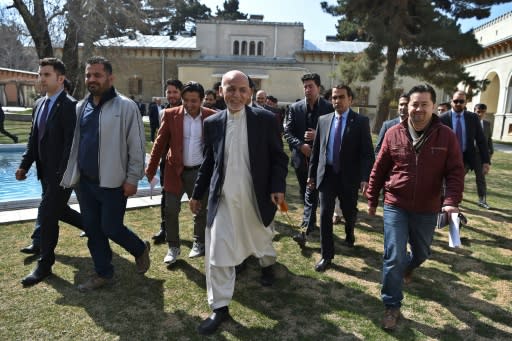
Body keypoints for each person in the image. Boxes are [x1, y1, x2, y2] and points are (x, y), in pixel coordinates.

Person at [189, 70, 288, 335]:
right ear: (221, 91)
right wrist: (197, 194)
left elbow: (279, 158)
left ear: (250, 93)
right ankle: (219, 307)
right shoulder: (212, 123)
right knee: (217, 253)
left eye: (242, 90)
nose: (236, 95)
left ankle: (267, 266)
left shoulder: (265, 120)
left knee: (262, 237)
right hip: (222, 199)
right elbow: (209, 161)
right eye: (230, 89)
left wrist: (278, 187)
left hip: (255, 197)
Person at [365, 84, 464, 330]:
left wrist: (451, 202)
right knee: (393, 254)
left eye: (424, 104)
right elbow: (379, 168)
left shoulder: (446, 136)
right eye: (414, 104)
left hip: (428, 208)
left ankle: (409, 267)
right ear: (407, 106)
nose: (418, 109)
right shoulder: (393, 133)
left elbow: (455, 172)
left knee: (422, 253)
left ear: (433, 107)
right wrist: (372, 198)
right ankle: (391, 305)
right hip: (395, 204)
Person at [60, 56, 150, 291]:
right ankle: (103, 273)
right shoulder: (81, 107)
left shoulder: (126, 106)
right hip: (85, 184)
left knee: (111, 227)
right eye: (88, 75)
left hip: (113, 183)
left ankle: (140, 249)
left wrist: (133, 178)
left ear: (110, 77)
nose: (91, 79)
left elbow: (137, 145)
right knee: (92, 229)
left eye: (97, 75)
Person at [16, 57, 84, 286]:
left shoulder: (69, 106)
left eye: (46, 75)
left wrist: (61, 175)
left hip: (61, 176)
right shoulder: (39, 104)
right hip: (44, 173)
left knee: (46, 216)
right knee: (58, 211)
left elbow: (70, 145)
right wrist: (25, 165)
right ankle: (96, 228)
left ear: (60, 78)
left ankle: (44, 265)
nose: (41, 79)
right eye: (40, 74)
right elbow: (33, 139)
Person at [145, 82, 216, 264]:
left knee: (200, 209)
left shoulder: (211, 117)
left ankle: (199, 242)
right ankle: (173, 247)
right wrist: (151, 170)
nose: (189, 105)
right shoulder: (170, 115)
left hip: (199, 173)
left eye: (194, 101)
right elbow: (159, 144)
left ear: (201, 100)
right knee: (170, 210)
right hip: (174, 171)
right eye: (186, 101)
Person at [307, 85, 374, 271]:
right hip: (327, 175)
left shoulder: (360, 121)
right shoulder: (323, 120)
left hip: (349, 177)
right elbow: (317, 151)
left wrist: (364, 177)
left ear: (350, 99)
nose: (337, 101)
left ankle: (349, 231)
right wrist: (312, 175)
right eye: (334, 97)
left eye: (341, 97)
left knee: (349, 211)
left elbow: (367, 153)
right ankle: (326, 255)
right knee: (325, 214)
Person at [284, 73, 332, 246]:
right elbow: (287, 132)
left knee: (312, 191)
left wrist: (317, 135)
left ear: (319, 87)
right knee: (306, 190)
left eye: (311, 86)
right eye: (305, 86)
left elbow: (335, 132)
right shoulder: (294, 108)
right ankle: (309, 223)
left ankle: (305, 227)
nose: (307, 90)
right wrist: (300, 146)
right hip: (301, 159)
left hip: (321, 160)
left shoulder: (329, 108)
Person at [440, 91, 491, 206]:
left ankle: (452, 205)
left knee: (456, 181)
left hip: (465, 158)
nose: (458, 103)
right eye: (455, 101)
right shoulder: (442, 118)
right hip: (446, 158)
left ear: (466, 102)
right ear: (451, 101)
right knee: (444, 182)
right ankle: (445, 205)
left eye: (461, 101)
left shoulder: (472, 118)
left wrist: (486, 161)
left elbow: (482, 141)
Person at [152, 79, 184, 244]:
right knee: (166, 196)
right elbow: (161, 138)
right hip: (167, 162)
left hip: (186, 162)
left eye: (175, 92)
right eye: (169, 92)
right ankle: (165, 229)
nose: (171, 95)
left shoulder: (187, 111)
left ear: (181, 93)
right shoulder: (162, 112)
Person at [473, 103, 494, 208]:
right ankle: (451, 198)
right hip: (466, 155)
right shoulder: (467, 122)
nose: (480, 114)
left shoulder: (486, 124)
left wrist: (488, 159)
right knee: (457, 176)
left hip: (480, 157)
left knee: (481, 178)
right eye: (478, 111)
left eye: (483, 112)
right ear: (474, 111)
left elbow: (489, 140)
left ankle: (482, 200)